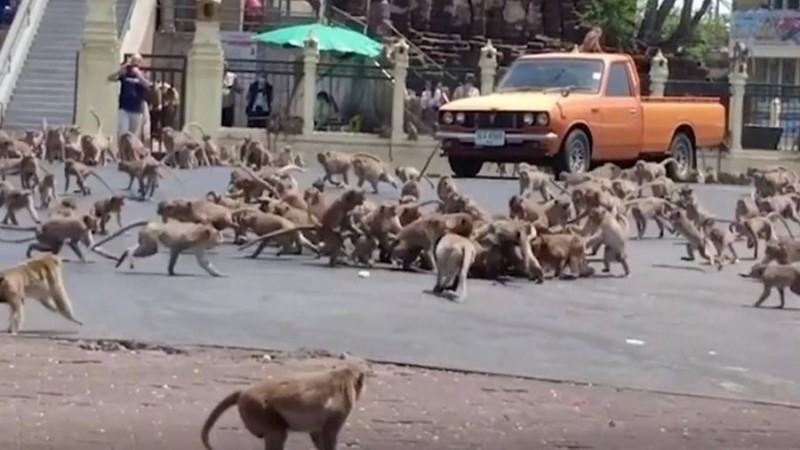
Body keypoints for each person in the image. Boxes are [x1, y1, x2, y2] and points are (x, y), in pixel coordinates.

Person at [108, 53, 151, 139]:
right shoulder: (125, 73)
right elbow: (110, 78)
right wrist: (120, 70)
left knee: (133, 136)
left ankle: (130, 152)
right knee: (123, 132)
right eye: (133, 60)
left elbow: (148, 85)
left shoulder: (143, 74)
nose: (135, 63)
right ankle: (121, 151)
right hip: (124, 109)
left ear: (140, 63)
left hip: (136, 110)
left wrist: (138, 75)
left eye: (137, 61)